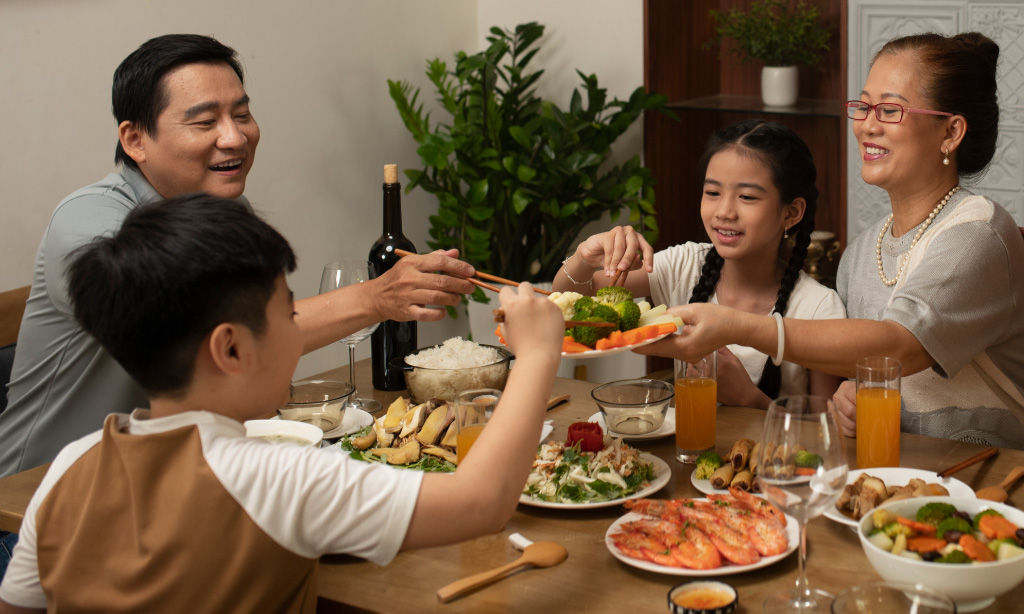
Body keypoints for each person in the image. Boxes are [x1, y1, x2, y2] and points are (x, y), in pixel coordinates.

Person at [0, 194, 564, 613]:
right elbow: (482, 503)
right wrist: (538, 355)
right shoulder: (274, 477)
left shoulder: (70, 468)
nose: (298, 331)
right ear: (231, 348)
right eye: (286, 312)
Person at [0, 34, 475, 480]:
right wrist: (374, 298)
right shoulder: (90, 223)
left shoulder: (227, 211)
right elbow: (208, 334)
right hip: (42, 501)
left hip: (175, 480)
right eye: (205, 122)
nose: (234, 138)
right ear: (135, 140)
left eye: (242, 114)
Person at [638, 33, 1024, 448]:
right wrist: (847, 400)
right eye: (863, 106)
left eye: (890, 109)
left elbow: (900, 346)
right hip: (889, 478)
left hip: (989, 486)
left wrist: (737, 326)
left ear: (950, 133)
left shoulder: (977, 233)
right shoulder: (861, 252)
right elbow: (865, 381)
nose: (867, 125)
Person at [554, 119, 845, 408]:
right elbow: (572, 300)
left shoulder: (819, 307)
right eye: (713, 193)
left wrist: (748, 398)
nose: (724, 212)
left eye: (747, 196)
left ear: (791, 213)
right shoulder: (684, 265)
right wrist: (583, 257)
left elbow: (825, 435)